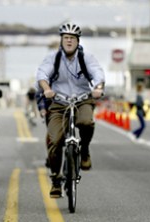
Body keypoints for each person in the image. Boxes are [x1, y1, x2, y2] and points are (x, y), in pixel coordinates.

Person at [35, 22, 105, 198]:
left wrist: (98, 87)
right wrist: (46, 89)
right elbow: (42, 75)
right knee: (55, 139)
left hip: (82, 99)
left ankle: (85, 150)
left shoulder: (86, 57)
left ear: (78, 41)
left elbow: (98, 74)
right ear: (61, 40)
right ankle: (56, 179)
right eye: (66, 38)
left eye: (72, 38)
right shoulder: (53, 57)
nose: (68, 41)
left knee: (86, 122)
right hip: (59, 102)